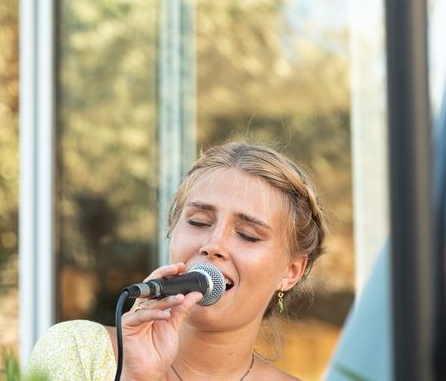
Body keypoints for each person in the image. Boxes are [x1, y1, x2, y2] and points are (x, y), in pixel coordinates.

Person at [25, 141, 327, 380]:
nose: (213, 245)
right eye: (198, 222)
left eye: (248, 235)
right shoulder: (77, 352)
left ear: (291, 271)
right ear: (172, 230)